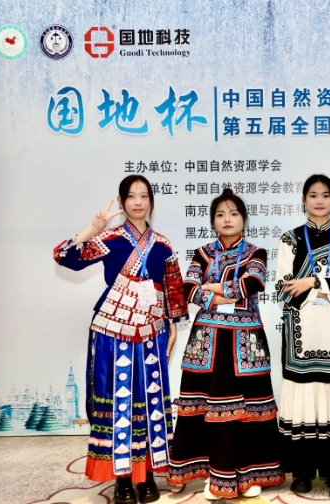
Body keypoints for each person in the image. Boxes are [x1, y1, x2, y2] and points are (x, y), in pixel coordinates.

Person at [53, 175, 188, 504]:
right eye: (131, 196)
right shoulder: (110, 238)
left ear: (151, 201)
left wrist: (172, 326)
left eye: (143, 196)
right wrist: (93, 228)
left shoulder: (163, 245)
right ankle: (123, 479)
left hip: (152, 333)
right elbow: (63, 256)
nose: (138, 202)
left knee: (151, 402)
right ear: (122, 201)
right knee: (119, 401)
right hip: (114, 333)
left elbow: (173, 290)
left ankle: (147, 475)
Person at [166, 189, 285, 500]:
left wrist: (212, 289)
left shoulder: (256, 252)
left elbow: (252, 283)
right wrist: (223, 295)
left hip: (246, 345)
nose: (227, 219)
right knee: (209, 408)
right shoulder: (202, 253)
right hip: (207, 343)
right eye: (220, 214)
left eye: (233, 213)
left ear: (243, 219)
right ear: (213, 221)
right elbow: (189, 289)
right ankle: (215, 474)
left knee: (250, 410)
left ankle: (251, 474)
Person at [275, 174, 330, 500]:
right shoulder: (290, 239)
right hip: (301, 333)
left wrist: (311, 283)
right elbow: (284, 289)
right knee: (303, 398)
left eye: (326, 195)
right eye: (313, 195)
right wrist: (325, 288)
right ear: (304, 200)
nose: (320, 200)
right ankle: (302, 470)